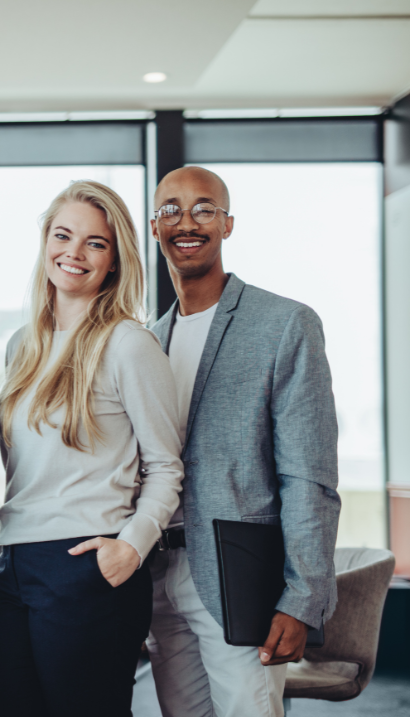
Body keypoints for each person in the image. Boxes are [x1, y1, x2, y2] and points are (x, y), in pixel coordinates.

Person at [0, 180, 184, 717]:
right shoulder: (23, 344)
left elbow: (166, 467)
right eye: (63, 235)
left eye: (95, 243)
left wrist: (131, 548)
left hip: (87, 562)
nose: (74, 253)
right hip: (16, 561)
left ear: (114, 261)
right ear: (46, 241)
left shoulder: (128, 344)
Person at [145, 166, 340, 717]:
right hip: (160, 579)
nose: (187, 222)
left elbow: (309, 474)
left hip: (240, 577)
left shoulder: (284, 324)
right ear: (154, 227)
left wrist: (303, 599)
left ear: (227, 224)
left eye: (204, 209)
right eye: (171, 210)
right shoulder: (148, 340)